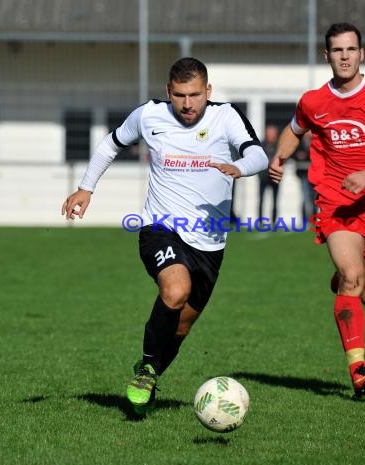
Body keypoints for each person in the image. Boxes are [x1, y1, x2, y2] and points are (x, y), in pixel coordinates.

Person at [61, 57, 268, 413]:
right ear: (168, 92)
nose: (188, 104)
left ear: (209, 91)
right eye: (180, 96)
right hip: (161, 228)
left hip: (210, 242)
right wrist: (85, 188)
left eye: (195, 95)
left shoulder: (226, 117)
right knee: (175, 290)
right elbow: (111, 144)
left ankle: (149, 372)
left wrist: (239, 167)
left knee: (181, 328)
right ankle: (145, 369)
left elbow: (259, 155)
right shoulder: (149, 115)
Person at [269, 22, 365, 399]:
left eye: (351, 49)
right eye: (337, 50)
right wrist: (280, 157)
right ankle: (357, 365)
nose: (345, 56)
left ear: (361, 54)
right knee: (353, 276)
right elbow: (294, 128)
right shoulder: (314, 101)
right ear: (327, 56)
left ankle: (343, 284)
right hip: (336, 204)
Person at [257, 124, 280, 223]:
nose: (271, 135)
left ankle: (274, 220)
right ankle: (261, 220)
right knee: (261, 199)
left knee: (275, 199)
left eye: (272, 133)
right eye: (269, 132)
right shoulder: (261, 145)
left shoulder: (279, 145)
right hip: (263, 177)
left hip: (274, 176)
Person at [293, 130, 316, 221]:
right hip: (303, 174)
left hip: (315, 175)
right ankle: (304, 219)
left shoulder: (316, 142)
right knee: (305, 197)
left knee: (314, 198)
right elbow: (294, 155)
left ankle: (314, 218)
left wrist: (305, 155)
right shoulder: (299, 143)